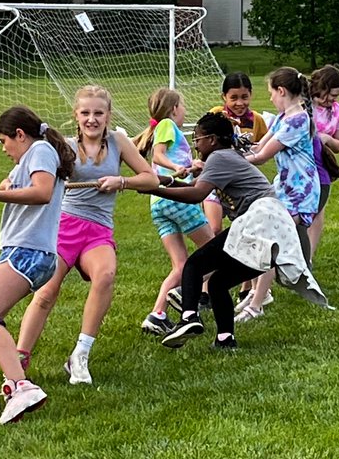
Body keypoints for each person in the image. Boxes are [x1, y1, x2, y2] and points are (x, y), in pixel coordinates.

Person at [137, 112, 328, 351]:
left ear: (213, 140)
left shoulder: (220, 157)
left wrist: (154, 191)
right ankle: (226, 339)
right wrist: (159, 182)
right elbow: (194, 186)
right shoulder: (225, 158)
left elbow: (196, 195)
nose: (195, 144)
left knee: (194, 265)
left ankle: (189, 318)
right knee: (218, 282)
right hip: (269, 230)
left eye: (198, 138)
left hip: (261, 220)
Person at [15, 85, 158, 385]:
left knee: (105, 275)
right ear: (76, 116)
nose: (92, 119)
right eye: (85, 113)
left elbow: (151, 179)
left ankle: (80, 355)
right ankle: (20, 361)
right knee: (46, 292)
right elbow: (32, 172)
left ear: (108, 115)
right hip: (65, 226)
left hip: (98, 229)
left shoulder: (119, 142)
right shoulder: (64, 147)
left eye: (98, 113)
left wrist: (122, 181)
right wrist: (9, 183)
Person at [0, 106, 75, 424]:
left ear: (20, 135)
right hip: (20, 250)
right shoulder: (31, 157)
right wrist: (7, 186)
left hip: (29, 251)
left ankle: (21, 387)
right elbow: (29, 186)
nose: (4, 149)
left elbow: (44, 192)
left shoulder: (40, 150)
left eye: (4, 141)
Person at [236, 66, 321, 323]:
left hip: (299, 193)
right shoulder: (285, 117)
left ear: (281, 91)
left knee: (270, 239)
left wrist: (230, 160)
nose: (270, 98)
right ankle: (258, 296)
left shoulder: (296, 120)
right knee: (267, 238)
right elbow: (258, 145)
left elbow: (261, 157)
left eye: (271, 92)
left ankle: (258, 302)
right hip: (285, 188)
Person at [134, 87, 213, 335]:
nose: (185, 111)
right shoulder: (167, 124)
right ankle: (183, 293)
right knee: (215, 254)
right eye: (183, 106)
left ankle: (157, 315)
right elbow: (158, 157)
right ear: (174, 108)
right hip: (176, 197)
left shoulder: (165, 129)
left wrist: (191, 166)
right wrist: (178, 166)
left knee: (180, 265)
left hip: (159, 204)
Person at [203, 72, 269, 235]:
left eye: (244, 97)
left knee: (246, 228)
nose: (240, 103)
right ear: (224, 97)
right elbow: (204, 145)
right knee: (214, 228)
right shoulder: (217, 114)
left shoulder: (257, 120)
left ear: (251, 95)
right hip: (215, 181)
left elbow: (263, 150)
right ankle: (212, 258)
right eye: (233, 98)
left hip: (240, 185)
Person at [308, 64, 339, 261]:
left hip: (321, 167)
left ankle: (309, 256)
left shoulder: (338, 111)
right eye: (332, 94)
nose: (334, 100)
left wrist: (326, 138)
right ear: (321, 88)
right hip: (301, 165)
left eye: (337, 96)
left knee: (317, 211)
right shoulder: (304, 106)